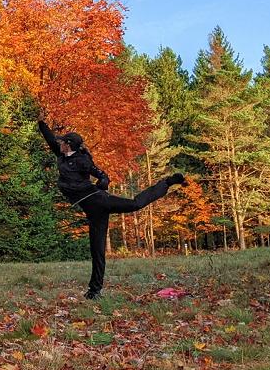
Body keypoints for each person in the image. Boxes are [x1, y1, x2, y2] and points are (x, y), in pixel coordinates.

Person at [38, 118, 184, 299]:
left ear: (68, 145)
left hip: (100, 200)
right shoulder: (61, 155)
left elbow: (101, 174)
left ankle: (167, 182)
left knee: (135, 204)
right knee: (97, 251)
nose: (59, 144)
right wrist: (41, 123)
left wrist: (103, 182)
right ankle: (94, 291)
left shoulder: (83, 160)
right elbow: (51, 139)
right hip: (92, 211)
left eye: (62, 142)